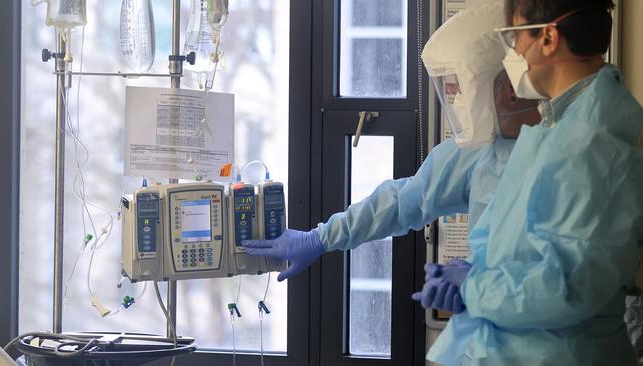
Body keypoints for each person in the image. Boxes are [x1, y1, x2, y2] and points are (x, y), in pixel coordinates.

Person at [241, 1, 539, 311]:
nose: (458, 102)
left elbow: (568, 278)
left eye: (461, 89)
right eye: (451, 90)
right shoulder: (480, 153)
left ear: (511, 88)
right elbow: (401, 201)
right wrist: (321, 238)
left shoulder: (566, 152)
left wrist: (480, 285)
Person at [421, 0, 643, 364]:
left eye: (515, 38)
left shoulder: (592, 140)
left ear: (548, 38)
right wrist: (480, 269)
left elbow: (568, 288)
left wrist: (474, 288)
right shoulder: (561, 124)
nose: (515, 53)